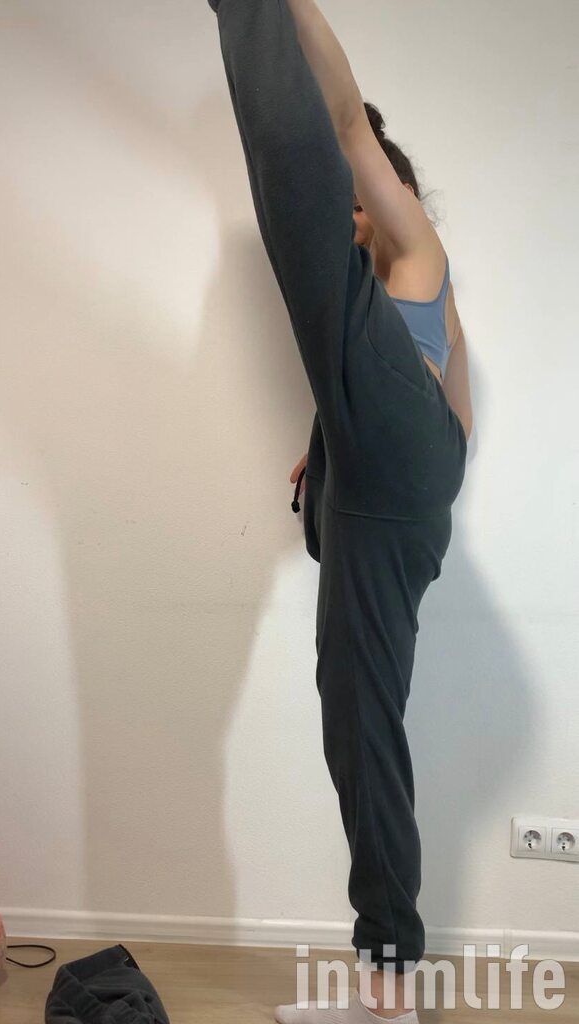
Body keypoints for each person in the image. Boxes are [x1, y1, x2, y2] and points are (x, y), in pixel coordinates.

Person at [205, 1, 473, 1021]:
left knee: (303, 214)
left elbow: (350, 122)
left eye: (366, 202)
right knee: (357, 723)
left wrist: (291, 9)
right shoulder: (382, 327)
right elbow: (444, 426)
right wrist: (337, 448)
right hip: (388, 491)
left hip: (399, 471)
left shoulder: (416, 251)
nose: (361, 216)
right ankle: (386, 980)